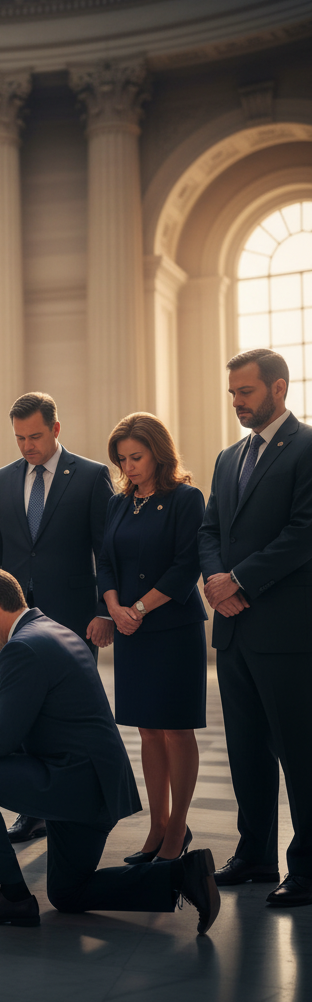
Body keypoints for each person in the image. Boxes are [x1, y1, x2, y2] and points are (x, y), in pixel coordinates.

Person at [0, 568, 220, 933]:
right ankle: (181, 875)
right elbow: (20, 729)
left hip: (73, 784)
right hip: (97, 787)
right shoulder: (52, 629)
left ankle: (12, 896)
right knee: (68, 893)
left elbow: (2, 741)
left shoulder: (21, 647)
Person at [0, 392, 114, 844]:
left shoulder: (91, 476)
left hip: (73, 620)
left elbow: (105, 550)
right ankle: (31, 810)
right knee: (18, 711)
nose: (27, 445)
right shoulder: (1, 479)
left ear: (55, 428)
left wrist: (102, 610)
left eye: (34, 436)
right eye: (19, 438)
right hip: (12, 624)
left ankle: (68, 806)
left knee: (66, 718)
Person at [198, 348, 312, 908]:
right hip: (235, 631)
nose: (237, 402)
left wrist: (239, 580)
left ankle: (310, 869)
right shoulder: (228, 457)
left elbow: (305, 531)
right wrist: (216, 577)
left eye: (245, 391)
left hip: (287, 630)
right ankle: (255, 855)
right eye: (232, 393)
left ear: (279, 388)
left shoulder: (308, 448)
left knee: (300, 751)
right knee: (246, 749)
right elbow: (210, 528)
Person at [97, 413, 207, 865]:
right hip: (130, 629)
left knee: (176, 730)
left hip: (172, 627)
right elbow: (104, 561)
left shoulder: (186, 498)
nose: (129, 467)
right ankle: (157, 826)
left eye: (136, 457)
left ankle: (178, 828)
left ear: (158, 452)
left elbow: (187, 565)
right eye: (122, 459)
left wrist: (139, 608)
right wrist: (114, 607)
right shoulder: (119, 503)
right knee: (146, 730)